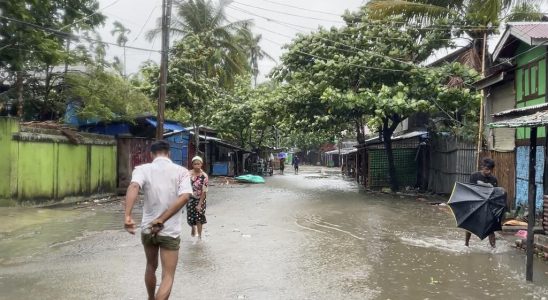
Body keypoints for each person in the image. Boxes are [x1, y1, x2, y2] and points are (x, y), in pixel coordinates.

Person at [124, 140, 192, 300]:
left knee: (150, 266)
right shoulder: (181, 171)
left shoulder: (142, 169)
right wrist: (162, 219)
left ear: (151, 154)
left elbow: (134, 187)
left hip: (148, 228)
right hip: (170, 230)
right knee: (168, 275)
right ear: (169, 153)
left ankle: (150, 297)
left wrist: (127, 215)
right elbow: (185, 197)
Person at [465, 157, 498, 248]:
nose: (489, 172)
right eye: (487, 169)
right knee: (469, 225)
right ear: (482, 167)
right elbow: (470, 190)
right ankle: (466, 244)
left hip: (487, 205)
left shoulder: (494, 179)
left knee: (491, 228)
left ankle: (493, 248)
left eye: (491, 170)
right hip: (475, 203)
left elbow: (494, 193)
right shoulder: (474, 176)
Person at [186, 156, 209, 239]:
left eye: (198, 164)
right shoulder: (188, 174)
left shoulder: (204, 176)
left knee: (199, 217)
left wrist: (199, 204)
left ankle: (199, 237)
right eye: (195, 164)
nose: (196, 166)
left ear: (201, 164)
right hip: (190, 198)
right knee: (191, 216)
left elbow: (204, 191)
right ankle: (193, 227)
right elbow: (184, 186)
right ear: (192, 164)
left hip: (200, 199)